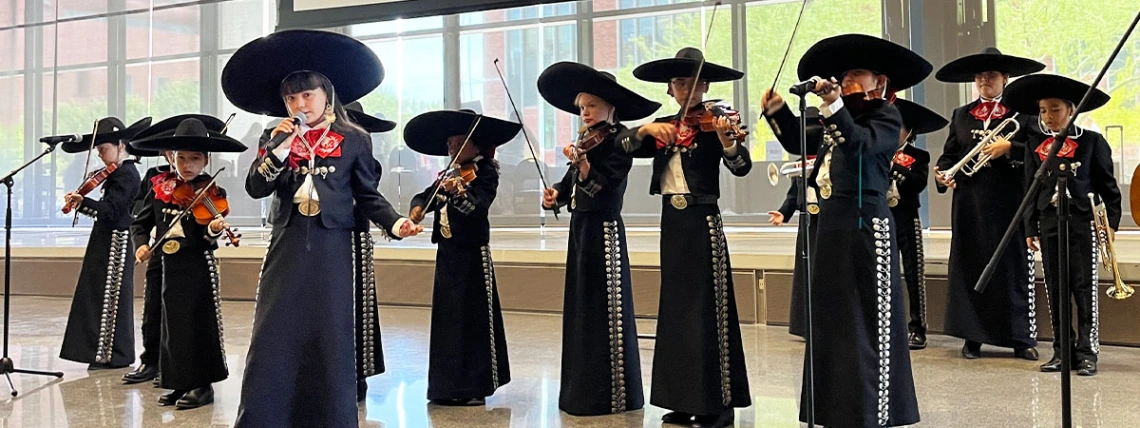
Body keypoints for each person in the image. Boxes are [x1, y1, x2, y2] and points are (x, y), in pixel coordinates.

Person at [222, 29, 421, 427]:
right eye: (291, 98)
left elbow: (367, 194)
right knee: (274, 330)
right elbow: (256, 186)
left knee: (330, 334)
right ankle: (266, 416)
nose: (299, 104)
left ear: (326, 93)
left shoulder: (353, 138)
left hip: (333, 246)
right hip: (288, 243)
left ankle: (329, 417)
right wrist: (277, 151)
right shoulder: (274, 136)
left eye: (307, 95)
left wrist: (395, 222)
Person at [761, 33, 931, 427]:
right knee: (833, 320)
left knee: (868, 319)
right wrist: (778, 111)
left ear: (879, 81)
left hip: (867, 225)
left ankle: (874, 409)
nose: (848, 79)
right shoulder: (837, 116)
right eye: (845, 74)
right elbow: (796, 139)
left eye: (858, 73)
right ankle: (836, 407)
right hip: (833, 225)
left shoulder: (886, 117)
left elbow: (859, 146)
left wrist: (834, 105)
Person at [615, 47, 752, 428]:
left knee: (709, 308)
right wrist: (643, 129)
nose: (686, 89)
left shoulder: (716, 120)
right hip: (671, 222)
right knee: (676, 310)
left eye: (693, 83)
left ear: (705, 85)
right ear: (670, 90)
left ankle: (718, 405)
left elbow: (741, 167)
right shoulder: (662, 126)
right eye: (678, 83)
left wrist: (728, 142)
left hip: (702, 218)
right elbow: (620, 145)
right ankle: (681, 398)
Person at [536, 61, 661, 416]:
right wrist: (555, 197)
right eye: (581, 108)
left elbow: (604, 189)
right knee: (582, 307)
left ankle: (614, 394)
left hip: (604, 229)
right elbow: (569, 185)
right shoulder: (585, 143)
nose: (585, 113)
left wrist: (586, 168)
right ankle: (582, 389)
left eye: (591, 105)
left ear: (610, 107)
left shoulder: (619, 142)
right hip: (581, 228)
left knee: (607, 309)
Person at [1005, 73, 1121, 376]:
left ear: (1071, 109)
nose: (1048, 116)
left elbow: (1109, 188)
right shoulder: (1036, 144)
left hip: (1083, 223)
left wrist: (1111, 225)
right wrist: (1030, 228)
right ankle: (1061, 350)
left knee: (1084, 290)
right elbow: (1030, 190)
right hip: (1049, 222)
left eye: (1055, 109)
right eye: (1043, 110)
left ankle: (1087, 352)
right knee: (1056, 290)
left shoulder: (1093, 142)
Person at [934, 47, 1046, 360]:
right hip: (970, 205)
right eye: (980, 76)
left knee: (1012, 269)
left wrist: (1010, 147)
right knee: (970, 264)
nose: (985, 80)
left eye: (992, 75)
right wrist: (943, 174)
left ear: (1005, 79)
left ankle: (1020, 338)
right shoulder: (961, 114)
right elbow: (949, 155)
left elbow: (1038, 151)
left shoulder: (1021, 114)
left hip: (1009, 203)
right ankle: (972, 337)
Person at [130, 117, 247, 408]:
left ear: (206, 160)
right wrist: (142, 245)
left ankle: (202, 386)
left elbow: (209, 233)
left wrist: (215, 229)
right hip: (167, 267)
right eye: (181, 158)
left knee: (196, 325)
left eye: (195, 159)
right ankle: (178, 382)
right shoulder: (160, 188)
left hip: (196, 267)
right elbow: (140, 223)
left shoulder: (211, 193)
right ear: (172, 158)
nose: (187, 165)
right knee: (171, 327)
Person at [405, 109, 519, 406]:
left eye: (458, 142)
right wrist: (418, 208)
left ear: (477, 144)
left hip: (472, 253)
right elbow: (425, 196)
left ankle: (473, 386)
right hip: (448, 251)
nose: (452, 148)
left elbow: (476, 207)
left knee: (473, 319)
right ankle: (446, 386)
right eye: (449, 144)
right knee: (448, 319)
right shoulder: (449, 173)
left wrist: (457, 192)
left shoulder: (486, 172)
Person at [58, 117, 150, 370]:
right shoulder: (118, 173)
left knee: (111, 298)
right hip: (106, 239)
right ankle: (102, 353)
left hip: (117, 242)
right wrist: (83, 202)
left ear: (121, 145)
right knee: (98, 295)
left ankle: (114, 355)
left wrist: (83, 203)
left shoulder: (127, 174)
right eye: (98, 151)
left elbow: (111, 211)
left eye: (103, 149)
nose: (99, 155)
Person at [344, 100, 397, 402]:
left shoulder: (369, 164)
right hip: (329, 241)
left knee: (359, 308)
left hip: (356, 241)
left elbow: (365, 198)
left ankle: (358, 376)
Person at [889, 98, 945, 349]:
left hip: (907, 216)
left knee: (914, 273)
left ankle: (918, 327)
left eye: (898, 127)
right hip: (881, 217)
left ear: (909, 132)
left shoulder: (919, 155)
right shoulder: (875, 150)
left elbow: (917, 183)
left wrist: (894, 167)